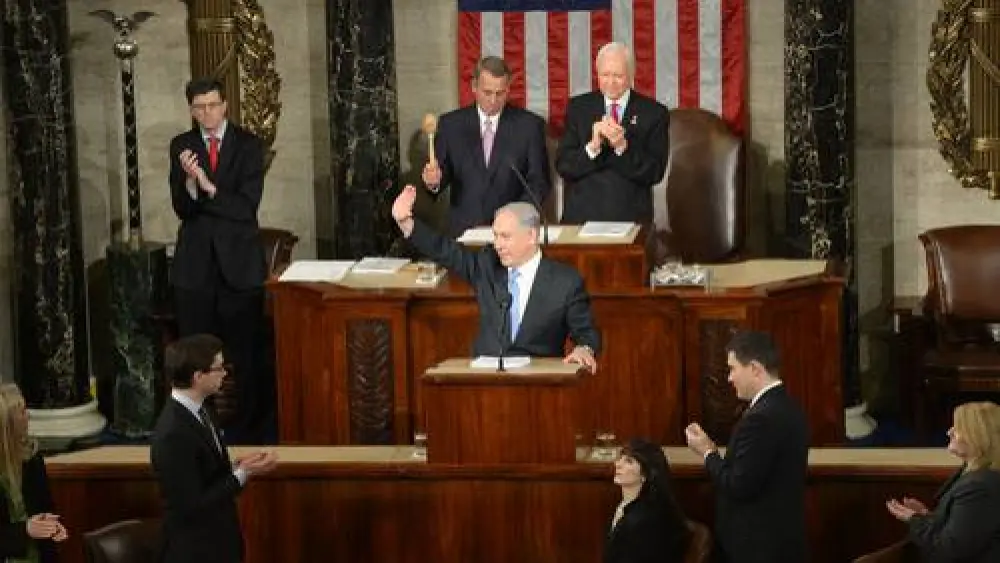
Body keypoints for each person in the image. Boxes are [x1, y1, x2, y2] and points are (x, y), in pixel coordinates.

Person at [392, 184, 599, 370]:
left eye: (506, 237)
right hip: (485, 384)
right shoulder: (487, 266)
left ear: (531, 236)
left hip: (537, 386)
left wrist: (584, 349)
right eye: (496, 235)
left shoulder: (565, 282)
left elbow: (587, 333)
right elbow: (445, 250)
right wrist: (406, 223)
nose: (498, 245)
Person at [168, 77, 269, 444]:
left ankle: (249, 431)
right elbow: (182, 208)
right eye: (199, 107)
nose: (206, 114)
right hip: (196, 269)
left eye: (212, 105)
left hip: (238, 269)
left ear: (225, 106)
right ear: (191, 109)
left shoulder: (248, 145)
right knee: (194, 359)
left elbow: (245, 208)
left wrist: (209, 187)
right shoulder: (182, 146)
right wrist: (192, 184)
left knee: (244, 356)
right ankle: (199, 430)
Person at [151, 334, 278, 563]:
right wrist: (242, 475)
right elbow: (192, 505)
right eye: (218, 368)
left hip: (220, 543)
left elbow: (206, 473)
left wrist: (239, 466)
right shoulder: (173, 433)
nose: (225, 373)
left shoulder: (203, 411)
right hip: (195, 552)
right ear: (198, 377)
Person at [683, 331, 808, 563]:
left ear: (755, 368)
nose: (729, 378)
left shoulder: (761, 419)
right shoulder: (790, 408)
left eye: (732, 368)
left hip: (758, 549)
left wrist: (707, 453)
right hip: (781, 543)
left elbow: (738, 485)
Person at [422, 56, 552, 237]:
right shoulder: (451, 125)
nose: (493, 100)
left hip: (513, 234)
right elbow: (440, 176)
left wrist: (516, 217)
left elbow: (539, 183)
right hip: (464, 233)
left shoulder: (529, 126)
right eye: (487, 92)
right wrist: (433, 182)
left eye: (500, 93)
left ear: (508, 89)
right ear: (474, 87)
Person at [556, 42, 669, 224]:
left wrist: (622, 148)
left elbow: (655, 172)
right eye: (605, 75)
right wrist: (592, 147)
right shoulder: (579, 108)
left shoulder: (654, 113)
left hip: (630, 219)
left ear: (631, 75)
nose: (611, 82)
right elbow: (564, 166)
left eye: (618, 76)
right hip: (581, 219)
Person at [885, 401, 1000, 562]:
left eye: (958, 428)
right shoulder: (971, 473)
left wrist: (915, 520)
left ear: (979, 436)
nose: (949, 432)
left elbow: (949, 550)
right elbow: (965, 529)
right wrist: (927, 516)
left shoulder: (980, 487)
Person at [0, 383, 67, 563]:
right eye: (22, 411)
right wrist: (26, 530)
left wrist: (51, 526)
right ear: (8, 424)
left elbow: (45, 507)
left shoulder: (32, 459)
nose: (28, 415)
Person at [605, 438, 690, 563]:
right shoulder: (630, 507)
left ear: (645, 474)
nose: (618, 464)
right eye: (620, 458)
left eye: (629, 461)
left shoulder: (644, 520)